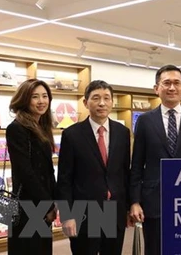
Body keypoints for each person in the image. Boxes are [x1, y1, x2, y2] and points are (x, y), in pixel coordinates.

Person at [129, 65, 181, 255]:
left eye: (176, 83)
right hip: (154, 200)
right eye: (167, 83)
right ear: (157, 88)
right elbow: (137, 164)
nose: (172, 88)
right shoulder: (145, 120)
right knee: (155, 249)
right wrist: (135, 201)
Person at [56, 80, 131, 255]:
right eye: (96, 98)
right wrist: (66, 216)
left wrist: (127, 207)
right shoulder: (72, 134)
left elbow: (124, 172)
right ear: (85, 102)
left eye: (107, 98)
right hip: (84, 212)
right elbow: (64, 179)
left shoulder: (122, 132)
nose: (102, 103)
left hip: (114, 210)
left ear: (112, 102)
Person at [6, 79, 57, 255]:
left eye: (45, 96)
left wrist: (54, 200)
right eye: (35, 97)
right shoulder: (16, 128)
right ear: (25, 99)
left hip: (41, 203)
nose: (41, 101)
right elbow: (26, 172)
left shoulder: (42, 126)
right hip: (27, 205)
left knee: (42, 249)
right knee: (28, 249)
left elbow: (48, 169)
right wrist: (48, 204)